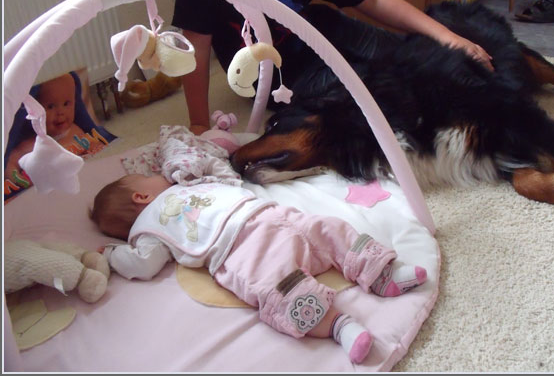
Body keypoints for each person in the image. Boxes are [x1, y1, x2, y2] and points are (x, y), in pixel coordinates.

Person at [90, 125, 428, 364]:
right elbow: (144, 262)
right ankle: (339, 326)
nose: (157, 175)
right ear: (141, 196)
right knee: (278, 286)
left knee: (328, 230)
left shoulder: (183, 183)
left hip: (268, 214)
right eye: (146, 177)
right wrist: (113, 256)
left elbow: (210, 166)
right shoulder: (149, 228)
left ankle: (379, 272)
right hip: (239, 250)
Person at [172, 0, 494, 135]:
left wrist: (448, 38)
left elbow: (373, 0)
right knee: (380, 92)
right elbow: (196, 46)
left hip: (321, 28)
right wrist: (198, 122)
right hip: (276, 73)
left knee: (422, 57)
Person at [4, 73, 105, 192]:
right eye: (51, 106)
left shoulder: (75, 131)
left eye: (66, 104)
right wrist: (21, 181)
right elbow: (9, 164)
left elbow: (93, 144)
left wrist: (95, 149)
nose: (60, 112)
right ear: (32, 112)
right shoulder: (30, 144)